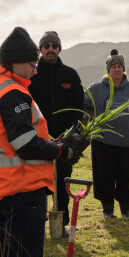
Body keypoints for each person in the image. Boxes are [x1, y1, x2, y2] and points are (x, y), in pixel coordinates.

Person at [0, 27, 85, 257]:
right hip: (22, 190)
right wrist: (61, 151)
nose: (35, 70)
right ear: (15, 61)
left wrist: (53, 143)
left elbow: (18, 137)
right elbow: (24, 143)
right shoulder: (12, 93)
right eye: (32, 64)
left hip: (7, 189)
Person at [29, 31, 85, 237]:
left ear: (59, 48)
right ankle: (36, 223)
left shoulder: (70, 74)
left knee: (63, 183)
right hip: (38, 139)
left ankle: (61, 224)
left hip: (65, 141)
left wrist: (71, 135)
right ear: (40, 49)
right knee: (37, 183)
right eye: (46, 46)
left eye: (54, 45)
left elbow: (79, 107)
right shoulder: (32, 74)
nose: (50, 49)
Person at [84, 49, 129, 219]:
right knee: (104, 176)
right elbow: (82, 103)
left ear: (123, 69)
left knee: (126, 177)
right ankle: (108, 210)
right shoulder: (97, 88)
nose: (116, 69)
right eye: (113, 66)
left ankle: (126, 210)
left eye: (119, 66)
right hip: (103, 141)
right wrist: (91, 118)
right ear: (108, 70)